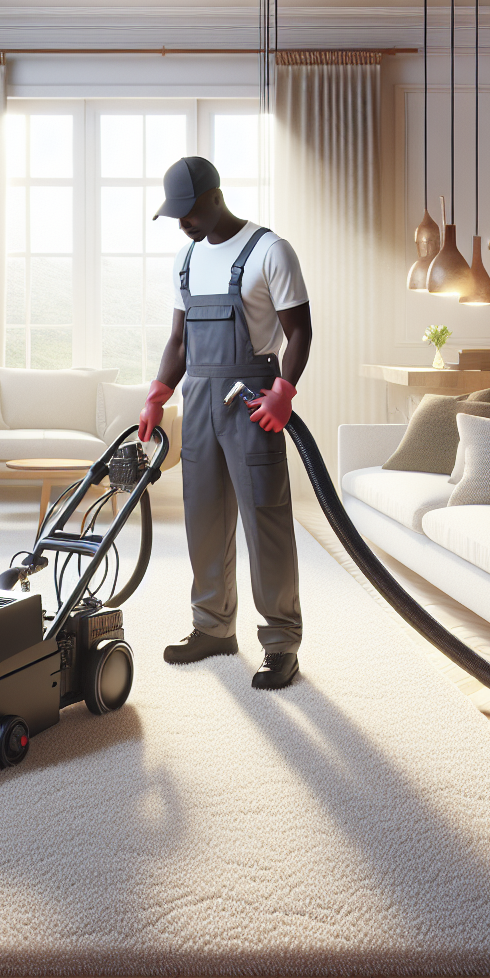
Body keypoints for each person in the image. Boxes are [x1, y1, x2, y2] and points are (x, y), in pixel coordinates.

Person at [139, 156, 312, 690]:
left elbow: (300, 331)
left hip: (251, 400)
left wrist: (283, 391)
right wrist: (158, 393)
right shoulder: (187, 259)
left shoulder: (269, 250)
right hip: (198, 399)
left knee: (265, 520)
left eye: (188, 211)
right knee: (204, 518)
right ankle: (213, 628)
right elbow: (180, 340)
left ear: (215, 196)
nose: (183, 223)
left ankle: (281, 643)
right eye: (176, 214)